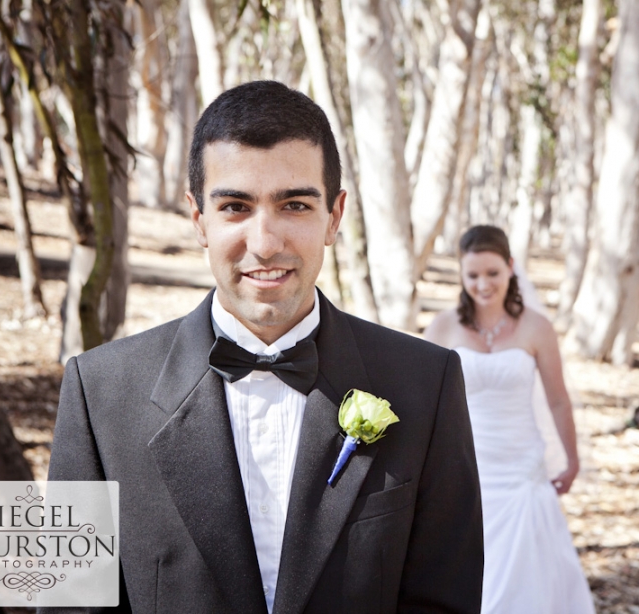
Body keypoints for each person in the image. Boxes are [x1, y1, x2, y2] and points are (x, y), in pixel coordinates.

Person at [45, 81, 483, 613]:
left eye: (294, 204)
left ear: (334, 216)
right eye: (235, 206)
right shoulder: (98, 392)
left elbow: (446, 599)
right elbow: (70, 603)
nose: (265, 242)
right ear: (198, 218)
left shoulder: (426, 383)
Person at [424, 225, 594, 614]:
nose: (483, 284)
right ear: (462, 275)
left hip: (522, 469)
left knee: (525, 584)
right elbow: (424, 400)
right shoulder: (444, 327)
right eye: (473, 275)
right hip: (467, 468)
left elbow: (557, 400)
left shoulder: (537, 327)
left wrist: (571, 459)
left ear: (511, 268)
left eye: (493, 273)